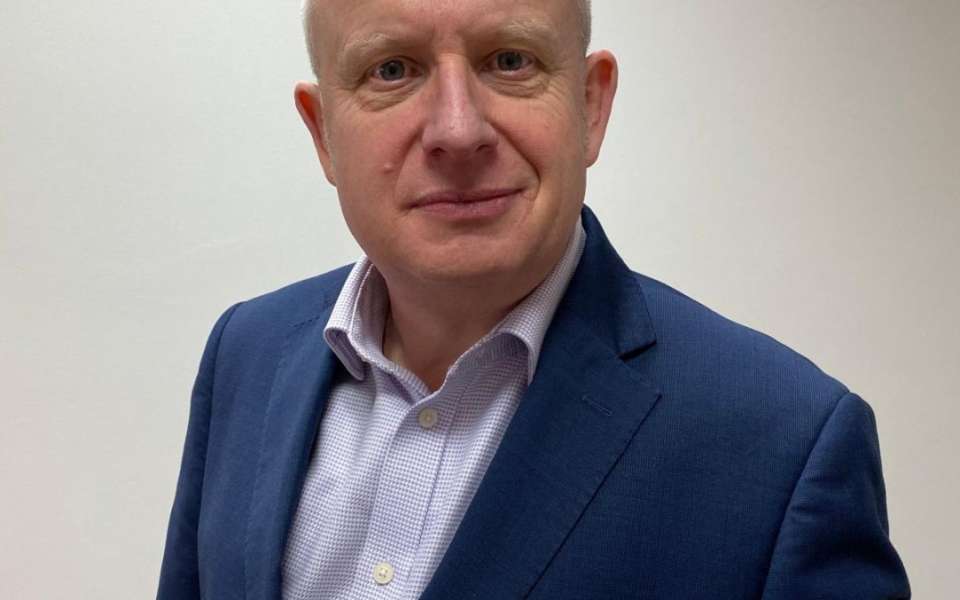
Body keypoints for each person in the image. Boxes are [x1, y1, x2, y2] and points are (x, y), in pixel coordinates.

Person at [157, 1, 910, 598]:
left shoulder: (783, 448)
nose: (457, 130)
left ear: (592, 104)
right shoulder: (244, 357)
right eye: (392, 70)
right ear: (323, 133)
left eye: (509, 60)